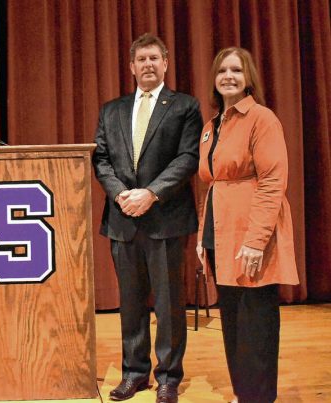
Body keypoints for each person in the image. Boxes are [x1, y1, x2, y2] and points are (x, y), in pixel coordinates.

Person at [93, 33, 203, 403]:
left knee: (170, 304)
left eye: (154, 58)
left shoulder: (185, 106)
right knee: (131, 302)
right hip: (123, 219)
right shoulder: (112, 110)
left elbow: (187, 158)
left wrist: (150, 194)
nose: (148, 65)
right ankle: (134, 373)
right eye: (141, 60)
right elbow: (101, 158)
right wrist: (120, 195)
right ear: (131, 67)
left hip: (166, 219)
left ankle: (169, 377)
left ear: (165, 63)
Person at [196, 47, 299, 403]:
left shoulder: (262, 118)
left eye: (236, 70)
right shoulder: (212, 126)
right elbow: (211, 183)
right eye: (222, 70)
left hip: (251, 233)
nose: (228, 76)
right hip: (219, 233)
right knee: (233, 324)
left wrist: (256, 240)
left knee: (256, 324)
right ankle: (244, 394)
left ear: (248, 76)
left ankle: (258, 397)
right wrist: (201, 235)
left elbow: (272, 183)